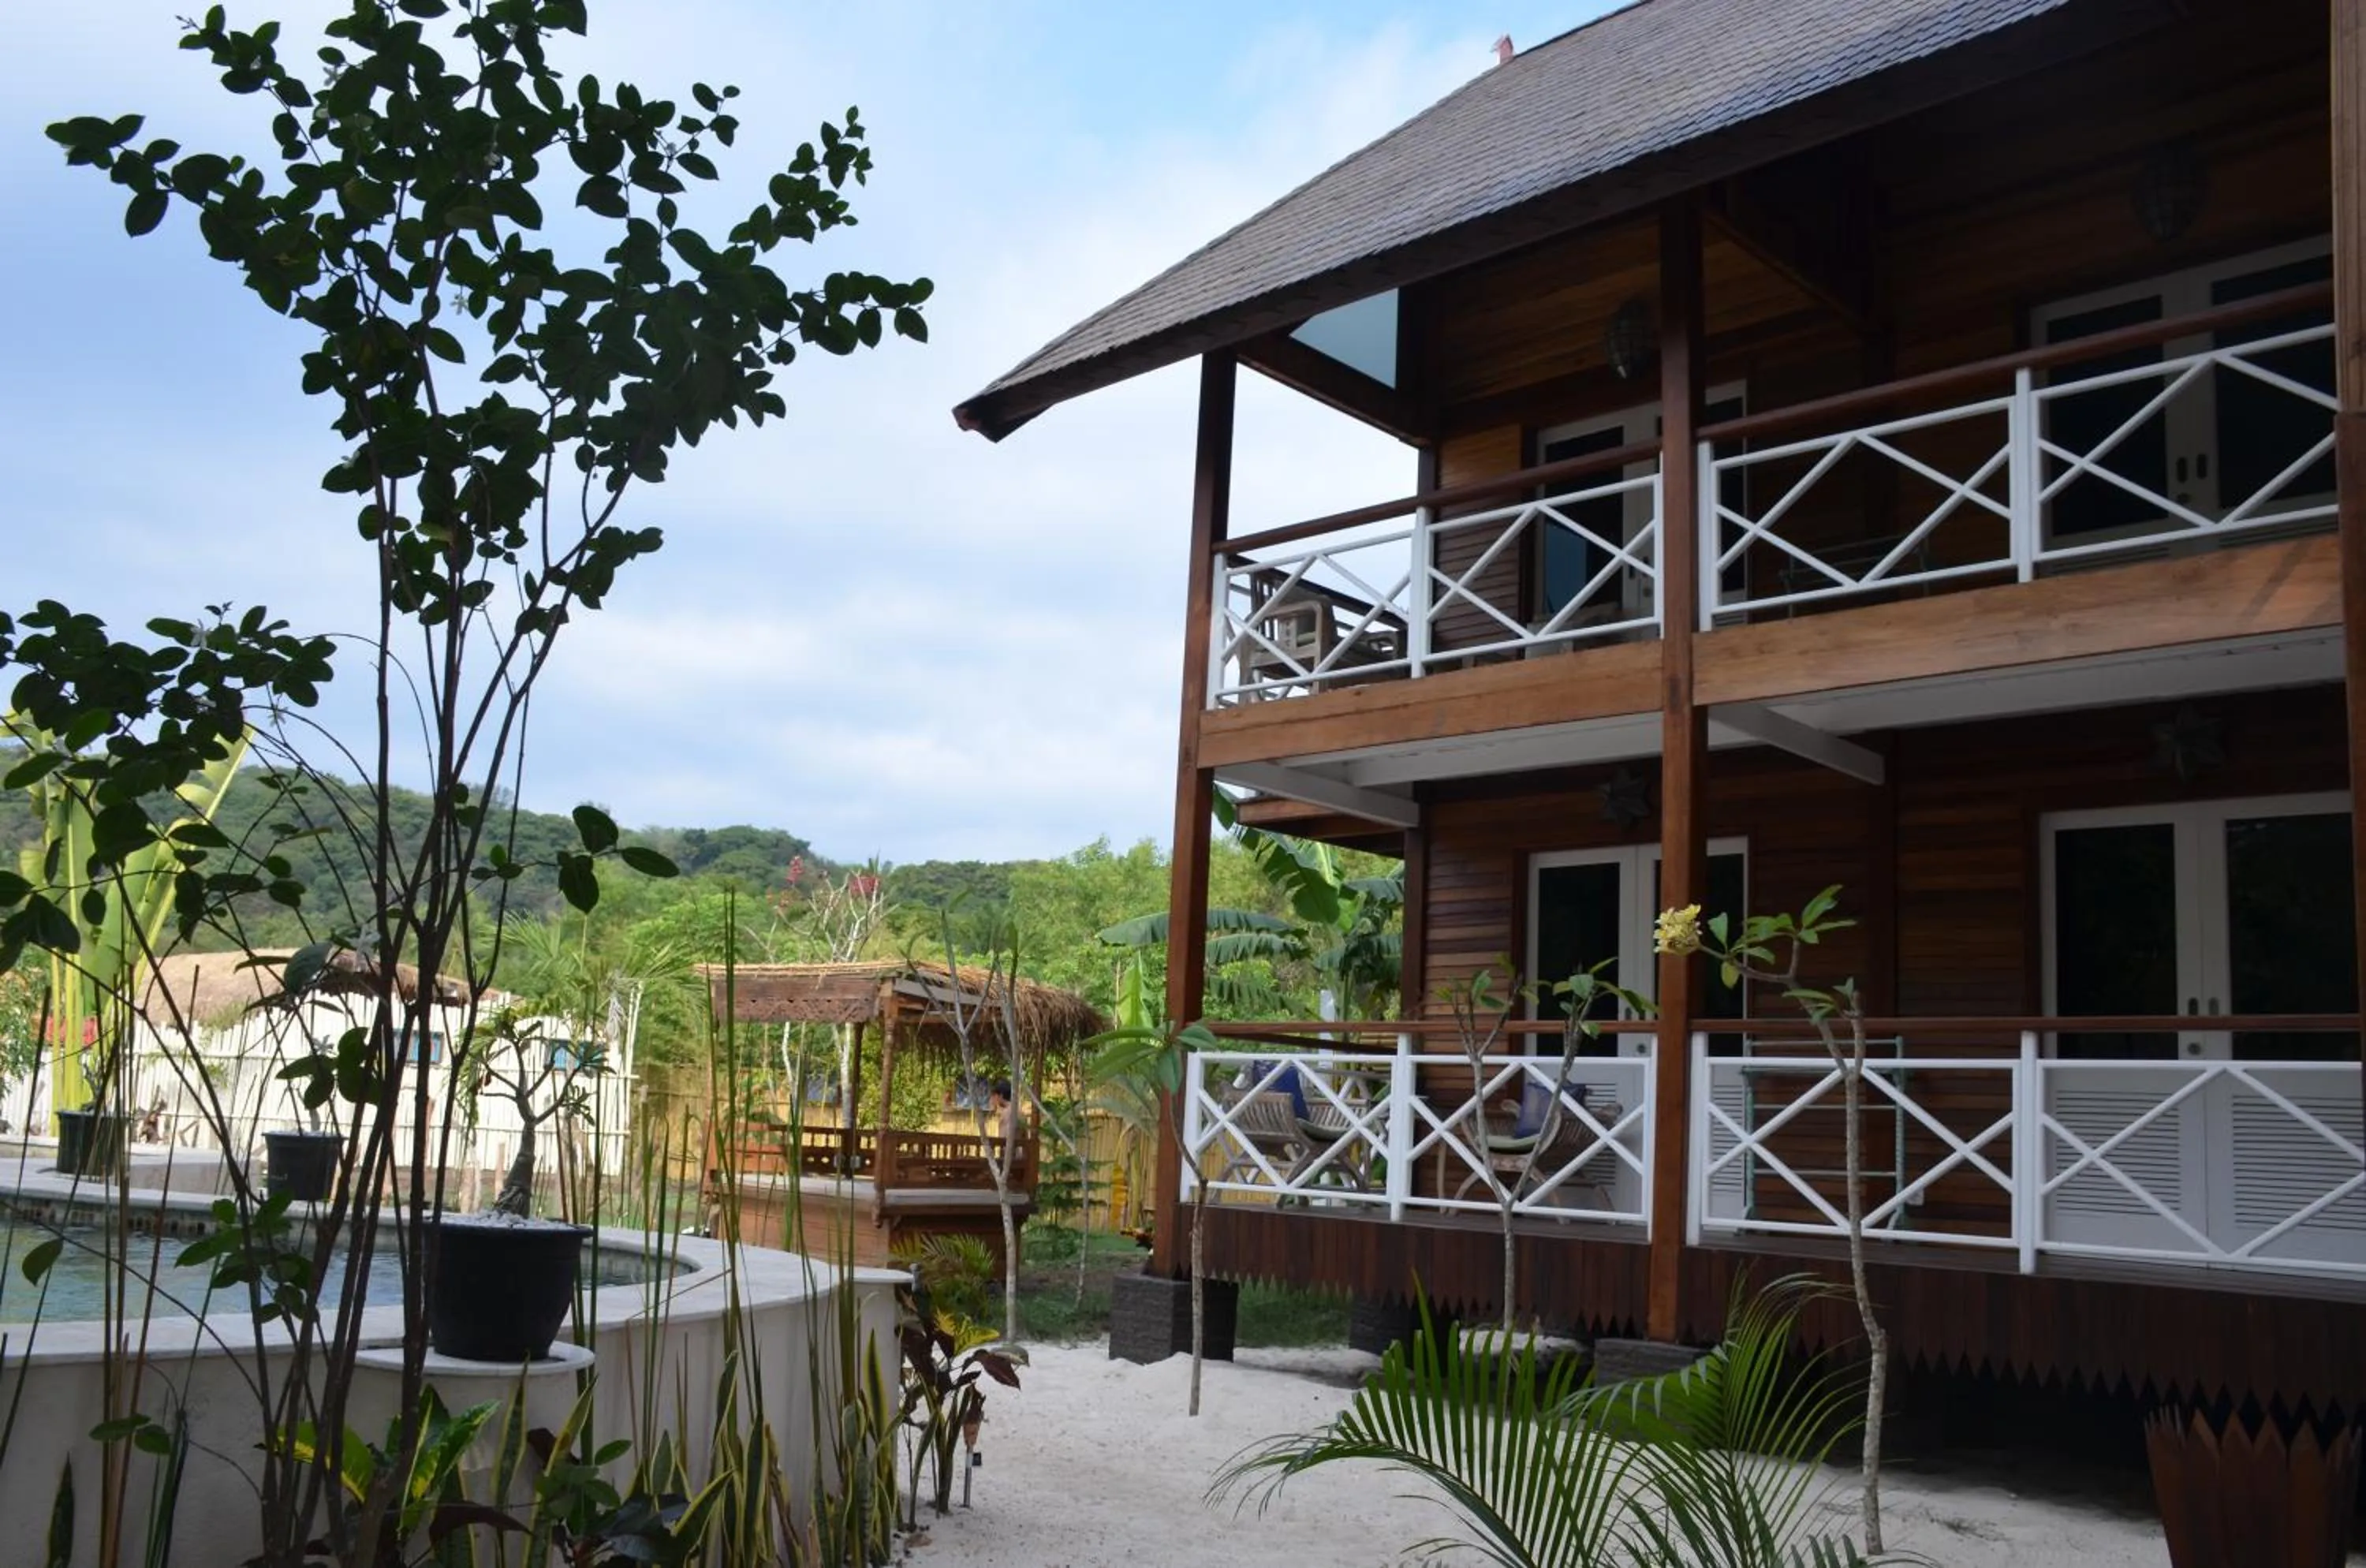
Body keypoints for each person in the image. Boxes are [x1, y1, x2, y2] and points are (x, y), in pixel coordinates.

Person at [987, 1078, 1019, 1144]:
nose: (991, 1099)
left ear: (1000, 1096)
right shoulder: (1018, 1110)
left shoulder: (1007, 1114)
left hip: (1011, 1153)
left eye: (993, 1095)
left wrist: (992, 1110)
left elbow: (1003, 1140)